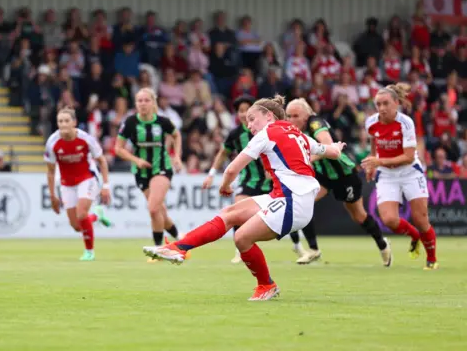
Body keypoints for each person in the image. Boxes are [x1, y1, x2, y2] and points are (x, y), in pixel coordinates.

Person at [144, 95, 346, 300]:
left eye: (252, 118)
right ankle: (178, 248)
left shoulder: (266, 134)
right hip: (284, 197)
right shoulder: (298, 134)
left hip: (293, 201)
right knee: (230, 214)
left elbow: (232, 169)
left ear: (268, 116)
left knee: (241, 238)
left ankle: (266, 285)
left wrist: (224, 186)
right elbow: (330, 151)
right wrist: (337, 147)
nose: (249, 125)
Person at [285, 98, 392, 266]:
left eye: (295, 116)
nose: (291, 120)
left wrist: (307, 159)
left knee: (359, 216)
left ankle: (383, 245)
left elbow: (328, 145)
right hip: (323, 176)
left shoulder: (315, 123)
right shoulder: (296, 130)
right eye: (288, 116)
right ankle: (313, 250)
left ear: (306, 115)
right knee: (301, 202)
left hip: (344, 175)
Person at [361, 83, 438, 270]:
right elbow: (374, 142)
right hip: (387, 174)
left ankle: (432, 259)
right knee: (389, 220)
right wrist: (372, 162)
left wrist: (378, 162)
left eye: (386, 103)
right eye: (378, 104)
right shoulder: (371, 122)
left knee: (420, 219)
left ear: (396, 103)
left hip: (410, 172)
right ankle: (414, 236)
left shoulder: (406, 123)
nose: (382, 108)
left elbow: (408, 157)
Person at [115, 88, 184, 261]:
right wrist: (136, 160)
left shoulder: (162, 122)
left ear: (153, 103)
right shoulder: (130, 122)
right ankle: (181, 239)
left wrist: (176, 156)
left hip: (161, 168)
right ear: (136, 103)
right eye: (140, 101)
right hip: (141, 171)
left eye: (147, 100)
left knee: (153, 208)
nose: (143, 104)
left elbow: (177, 135)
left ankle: (158, 251)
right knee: (160, 211)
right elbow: (118, 148)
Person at [202, 95, 272, 264]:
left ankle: (299, 247)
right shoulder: (235, 134)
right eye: (240, 111)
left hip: (270, 182)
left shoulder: (267, 130)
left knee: (284, 213)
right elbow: (223, 153)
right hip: (247, 181)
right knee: (237, 213)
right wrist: (211, 173)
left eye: (246, 110)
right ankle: (239, 250)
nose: (243, 114)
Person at [44, 108, 113, 261]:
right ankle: (97, 215)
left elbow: (102, 160)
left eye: (67, 121)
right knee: (76, 226)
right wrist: (52, 195)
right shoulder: (52, 142)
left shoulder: (86, 139)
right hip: (67, 183)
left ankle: (89, 252)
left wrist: (106, 185)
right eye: (60, 121)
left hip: (87, 178)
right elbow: (50, 171)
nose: (63, 125)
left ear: (74, 122)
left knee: (81, 214)